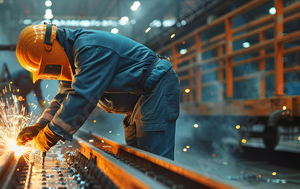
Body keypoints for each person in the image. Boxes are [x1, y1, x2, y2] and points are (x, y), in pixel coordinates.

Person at [15, 24, 180, 160]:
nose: (53, 73)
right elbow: (63, 99)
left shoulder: (88, 49)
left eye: (49, 68)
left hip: (156, 88)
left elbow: (82, 98)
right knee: (139, 157)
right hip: (140, 99)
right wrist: (40, 126)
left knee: (154, 161)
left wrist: (50, 135)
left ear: (50, 47)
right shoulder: (72, 61)